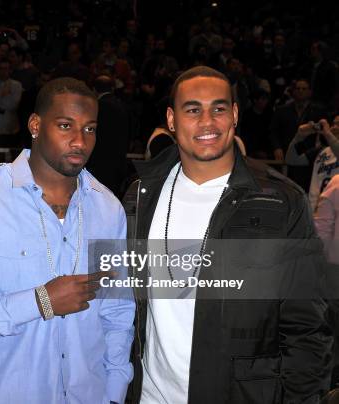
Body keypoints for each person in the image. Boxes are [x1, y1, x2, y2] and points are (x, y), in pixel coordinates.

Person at [122, 66, 332, 403]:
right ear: (171, 120)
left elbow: (307, 327)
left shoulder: (280, 201)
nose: (207, 122)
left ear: (234, 115)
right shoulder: (140, 195)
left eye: (219, 108)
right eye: (193, 110)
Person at [0, 77, 135, 403]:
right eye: (65, 126)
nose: (80, 141)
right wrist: (40, 301)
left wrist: (114, 391)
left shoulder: (108, 209)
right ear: (36, 125)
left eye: (90, 129)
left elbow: (117, 313)